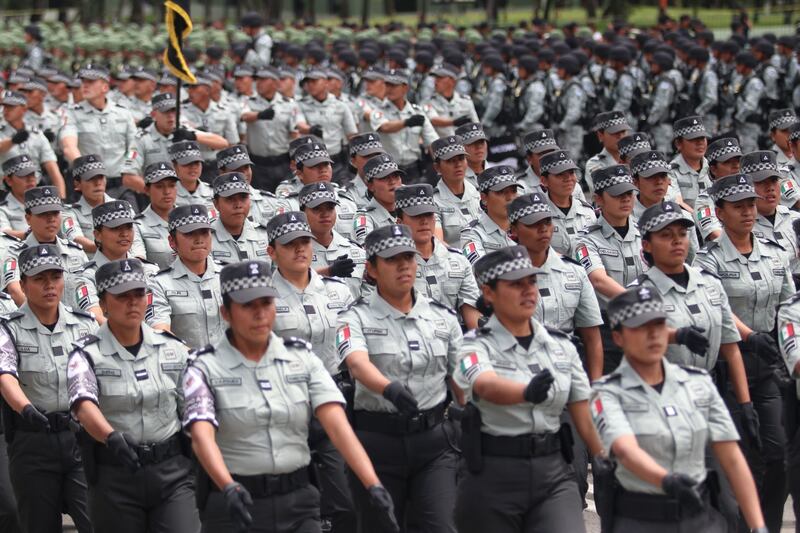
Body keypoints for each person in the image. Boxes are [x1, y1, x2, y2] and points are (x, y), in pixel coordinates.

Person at [181, 259, 399, 533]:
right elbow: (202, 437)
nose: (260, 313)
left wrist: (372, 484)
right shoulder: (203, 367)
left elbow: (337, 425)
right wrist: (228, 486)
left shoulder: (302, 357)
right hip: (236, 505)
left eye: (266, 303)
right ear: (226, 312)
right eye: (248, 305)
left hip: (298, 503)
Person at [590, 287, 767, 533]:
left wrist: (758, 526)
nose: (653, 334)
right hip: (641, 520)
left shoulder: (699, 383)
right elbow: (625, 450)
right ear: (618, 337)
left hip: (699, 517)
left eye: (659, 324)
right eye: (640, 327)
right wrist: (667, 481)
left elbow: (732, 459)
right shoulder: (606, 392)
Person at [452, 245, 603, 533]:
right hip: (493, 475)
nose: (528, 290)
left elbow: (583, 411)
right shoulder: (471, 346)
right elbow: (484, 384)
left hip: (553, 473)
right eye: (515, 284)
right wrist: (524, 393)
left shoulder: (562, 346)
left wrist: (607, 456)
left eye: (531, 281)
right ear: (489, 293)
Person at [337, 224, 463, 532]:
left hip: (434, 444)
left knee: (442, 526)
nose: (403, 265)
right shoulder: (353, 316)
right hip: (377, 443)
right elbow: (356, 363)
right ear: (372, 268)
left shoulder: (443, 317)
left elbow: (462, 378)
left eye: (408, 257)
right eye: (392, 259)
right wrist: (388, 388)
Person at [693, 173, 795, 532]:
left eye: (751, 204)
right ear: (719, 212)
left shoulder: (776, 254)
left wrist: (782, 341)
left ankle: (763, 525)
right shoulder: (707, 261)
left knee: (779, 455)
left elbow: (789, 306)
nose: (748, 212)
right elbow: (717, 308)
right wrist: (751, 336)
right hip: (730, 362)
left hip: (770, 361)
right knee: (740, 456)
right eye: (738, 207)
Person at [66, 258, 199, 532]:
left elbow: (194, 408)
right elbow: (83, 403)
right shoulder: (85, 355)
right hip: (115, 474)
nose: (133, 302)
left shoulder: (173, 349)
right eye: (122, 296)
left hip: (172, 472)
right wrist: (110, 437)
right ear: (103, 304)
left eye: (139, 294)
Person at [265, 211, 357, 532]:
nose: (300, 249)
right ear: (272, 252)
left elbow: (353, 346)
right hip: (282, 404)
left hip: (331, 399)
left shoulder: (338, 291)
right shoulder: (261, 298)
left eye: (304, 242)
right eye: (290, 244)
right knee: (292, 504)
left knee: (345, 502)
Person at [0, 245, 96, 533]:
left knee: (96, 522)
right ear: (24, 283)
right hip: (33, 441)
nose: (49, 285)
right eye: (40, 278)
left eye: (55, 277)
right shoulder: (9, 328)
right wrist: (26, 409)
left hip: (79, 437)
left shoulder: (85, 326)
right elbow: (5, 375)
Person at [507, 193, 604, 381]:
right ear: (514, 230)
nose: (543, 229)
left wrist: (596, 386)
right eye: (533, 224)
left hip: (567, 371)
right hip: (520, 372)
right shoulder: (502, 276)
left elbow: (592, 336)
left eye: (546, 222)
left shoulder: (574, 271)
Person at [576, 165, 645, 373]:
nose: (625, 199)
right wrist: (638, 303)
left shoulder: (648, 233)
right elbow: (598, 279)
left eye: (629, 193)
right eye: (617, 195)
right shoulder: (585, 239)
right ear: (598, 199)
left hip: (646, 323)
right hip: (608, 327)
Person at [395, 183, 481, 329]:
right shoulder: (392, 265)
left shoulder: (458, 260)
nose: (424, 221)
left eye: (429, 214)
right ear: (400, 222)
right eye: (416, 215)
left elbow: (472, 318)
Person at [148, 204, 225, 350]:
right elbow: (161, 332)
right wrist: (197, 360)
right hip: (185, 365)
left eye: (204, 232)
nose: (199, 240)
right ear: (172, 241)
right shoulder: (158, 284)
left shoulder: (229, 276)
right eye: (189, 234)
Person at [60, 65, 138, 206]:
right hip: (87, 185)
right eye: (83, 82)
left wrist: (129, 170)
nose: (85, 86)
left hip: (119, 185)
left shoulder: (123, 113)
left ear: (104, 87)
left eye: (91, 82)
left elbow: (133, 149)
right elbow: (69, 147)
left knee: (132, 224)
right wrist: (88, 172)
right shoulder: (72, 113)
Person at [70, 200, 159, 322]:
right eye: (116, 228)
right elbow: (95, 316)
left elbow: (157, 318)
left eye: (128, 227)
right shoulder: (85, 276)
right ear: (97, 235)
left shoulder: (150, 270)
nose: (124, 234)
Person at [3, 186, 89, 308]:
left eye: (55, 213)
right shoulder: (14, 253)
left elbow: (90, 293)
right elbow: (15, 291)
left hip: (75, 324)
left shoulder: (75, 252)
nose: (51, 219)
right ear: (28, 218)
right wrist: (46, 317)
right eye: (43, 214)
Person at [240, 67, 305, 193]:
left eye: (263, 80)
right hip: (257, 163)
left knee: (285, 199)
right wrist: (259, 115)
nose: (258, 83)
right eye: (257, 80)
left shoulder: (289, 104)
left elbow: (294, 133)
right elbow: (245, 116)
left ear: (275, 83)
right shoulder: (248, 101)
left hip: (282, 163)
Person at [370, 68, 437, 184]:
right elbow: (385, 127)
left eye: (394, 86)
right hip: (387, 172)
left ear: (405, 88)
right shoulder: (378, 111)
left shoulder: (417, 112)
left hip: (414, 171)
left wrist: (440, 166)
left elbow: (432, 142)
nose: (389, 89)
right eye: (388, 85)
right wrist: (406, 122)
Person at [300, 181, 366, 299]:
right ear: (302, 213)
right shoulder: (295, 254)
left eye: (330, 208)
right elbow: (289, 286)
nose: (325, 214)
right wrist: (328, 272)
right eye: (317, 208)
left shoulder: (357, 252)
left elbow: (369, 297)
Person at [538, 150, 596, 258]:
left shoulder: (588, 211)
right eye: (560, 174)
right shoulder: (537, 216)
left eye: (571, 172)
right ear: (544, 181)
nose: (568, 178)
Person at [460, 166, 518, 264]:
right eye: (501, 192)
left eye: (513, 191)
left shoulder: (526, 226)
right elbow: (479, 270)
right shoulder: (472, 234)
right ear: (484, 198)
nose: (510, 198)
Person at [210, 172, 270, 264]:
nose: (238, 205)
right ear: (216, 204)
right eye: (230, 198)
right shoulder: (206, 238)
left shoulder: (265, 235)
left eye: (243, 197)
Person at [431, 136, 482, 246]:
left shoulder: (479, 193)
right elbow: (439, 242)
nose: (458, 164)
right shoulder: (433, 202)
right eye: (450, 161)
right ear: (437, 167)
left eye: (461, 158)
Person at [694, 137, 743, 242]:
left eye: (737, 161)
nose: (735, 166)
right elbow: (714, 233)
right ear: (714, 169)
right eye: (728, 162)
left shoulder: (751, 192)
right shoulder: (705, 200)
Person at [353, 153, 403, 245]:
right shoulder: (362, 217)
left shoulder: (410, 209)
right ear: (370, 185)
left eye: (396, 176)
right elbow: (366, 248)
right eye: (384, 177)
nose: (392, 181)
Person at [135, 162, 178, 270]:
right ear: (146, 190)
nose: (167, 192)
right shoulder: (138, 225)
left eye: (171, 186)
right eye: (159, 186)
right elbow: (139, 262)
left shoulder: (189, 218)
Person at [421, 63, 478, 138]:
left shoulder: (466, 102)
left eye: (440, 78)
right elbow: (433, 119)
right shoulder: (428, 102)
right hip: (441, 146)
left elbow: (476, 127)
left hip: (463, 146)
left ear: (452, 81)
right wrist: (454, 122)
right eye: (435, 78)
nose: (436, 82)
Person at [667, 116, 710, 209]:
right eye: (693, 139)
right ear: (678, 144)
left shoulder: (714, 168)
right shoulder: (670, 172)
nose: (700, 143)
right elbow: (677, 204)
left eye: (702, 138)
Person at [584, 111, 630, 191]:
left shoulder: (636, 158)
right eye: (614, 132)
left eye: (623, 131)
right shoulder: (594, 164)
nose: (620, 136)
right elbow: (609, 192)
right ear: (600, 135)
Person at [0, 154, 38, 237]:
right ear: (9, 180)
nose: (30, 179)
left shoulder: (47, 203)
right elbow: (4, 233)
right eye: (23, 175)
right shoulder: (2, 210)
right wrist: (33, 235)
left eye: (32, 174)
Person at [455, 122, 488, 190]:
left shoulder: (497, 174)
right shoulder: (454, 180)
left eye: (481, 142)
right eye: (472, 143)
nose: (478, 147)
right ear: (460, 148)